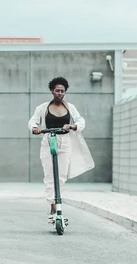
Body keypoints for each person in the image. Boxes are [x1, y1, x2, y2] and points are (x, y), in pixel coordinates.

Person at [28, 77, 95, 223]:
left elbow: (81, 121)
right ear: (52, 91)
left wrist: (71, 126)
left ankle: (58, 205)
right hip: (48, 140)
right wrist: (34, 128)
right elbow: (33, 121)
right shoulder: (43, 107)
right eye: (57, 90)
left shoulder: (70, 107)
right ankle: (53, 206)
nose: (60, 93)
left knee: (61, 176)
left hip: (65, 141)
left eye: (62, 91)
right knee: (49, 175)